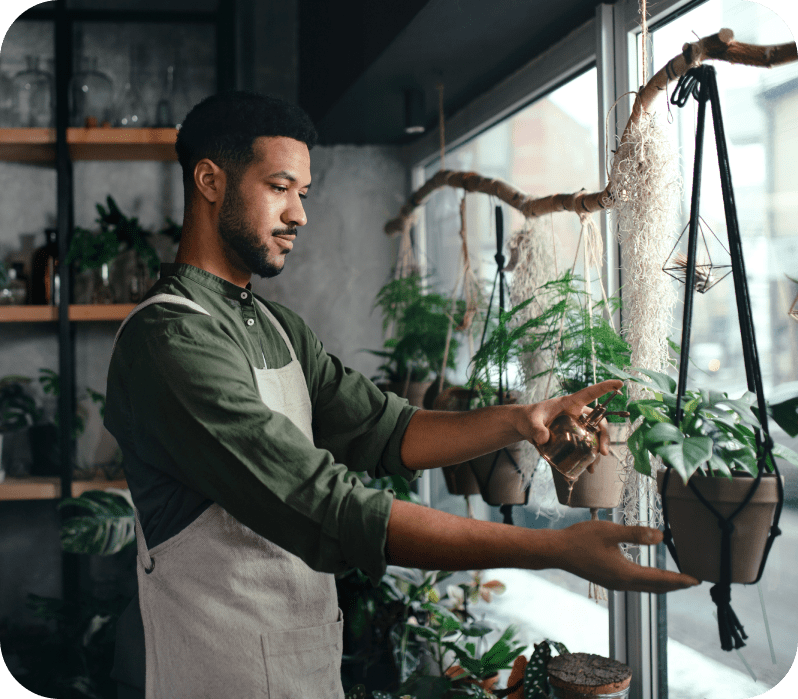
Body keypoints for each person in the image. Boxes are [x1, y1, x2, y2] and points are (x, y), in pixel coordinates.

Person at [105, 91, 698, 699]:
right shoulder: (169, 341)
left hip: (301, 671)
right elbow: (328, 509)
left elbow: (388, 430)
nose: (299, 215)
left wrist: (524, 420)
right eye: (279, 187)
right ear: (209, 180)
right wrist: (554, 550)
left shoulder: (278, 327)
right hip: (215, 678)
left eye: (302, 195)